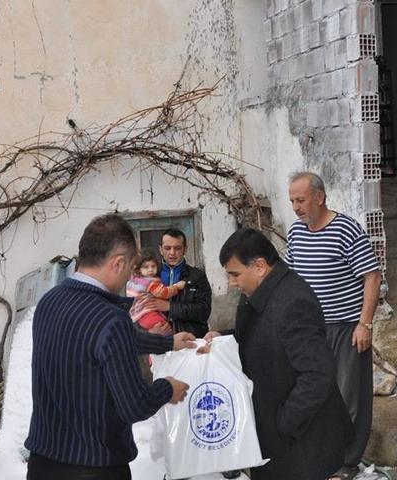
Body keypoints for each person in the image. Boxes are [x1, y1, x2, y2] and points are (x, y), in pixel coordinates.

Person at [24, 213, 196, 480]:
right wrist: (167, 388)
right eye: (130, 269)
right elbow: (135, 405)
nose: (130, 277)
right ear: (117, 263)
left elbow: (101, 341)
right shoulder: (110, 318)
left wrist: (168, 342)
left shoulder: (50, 301)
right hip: (94, 466)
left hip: (42, 463)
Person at [202, 228, 354, 480]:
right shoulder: (260, 292)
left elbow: (319, 374)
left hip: (301, 440)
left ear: (260, 266)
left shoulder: (293, 302)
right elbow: (261, 335)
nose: (231, 283)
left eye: (234, 274)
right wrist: (225, 337)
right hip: (276, 432)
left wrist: (284, 423)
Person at [286, 172, 382, 480]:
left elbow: (372, 276)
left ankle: (347, 462)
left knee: (349, 395)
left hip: (346, 328)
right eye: (292, 201)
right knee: (315, 393)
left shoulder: (347, 229)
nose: (296, 207)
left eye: (300, 200)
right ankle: (321, 453)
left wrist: (364, 323)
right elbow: (291, 277)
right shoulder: (296, 232)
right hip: (310, 330)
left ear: (319, 197)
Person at [138, 228, 212, 338]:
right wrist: (149, 333)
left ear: (185, 249)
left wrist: (170, 307)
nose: (172, 253)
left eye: (177, 248)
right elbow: (134, 311)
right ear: (160, 249)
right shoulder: (149, 276)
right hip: (159, 343)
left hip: (189, 340)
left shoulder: (197, 276)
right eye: (167, 248)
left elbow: (203, 311)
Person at [127, 253, 187, 332]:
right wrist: (176, 287)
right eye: (146, 267)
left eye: (153, 266)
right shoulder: (150, 282)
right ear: (139, 269)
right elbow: (164, 293)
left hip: (136, 316)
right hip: (148, 314)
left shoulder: (133, 280)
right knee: (166, 330)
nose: (150, 269)